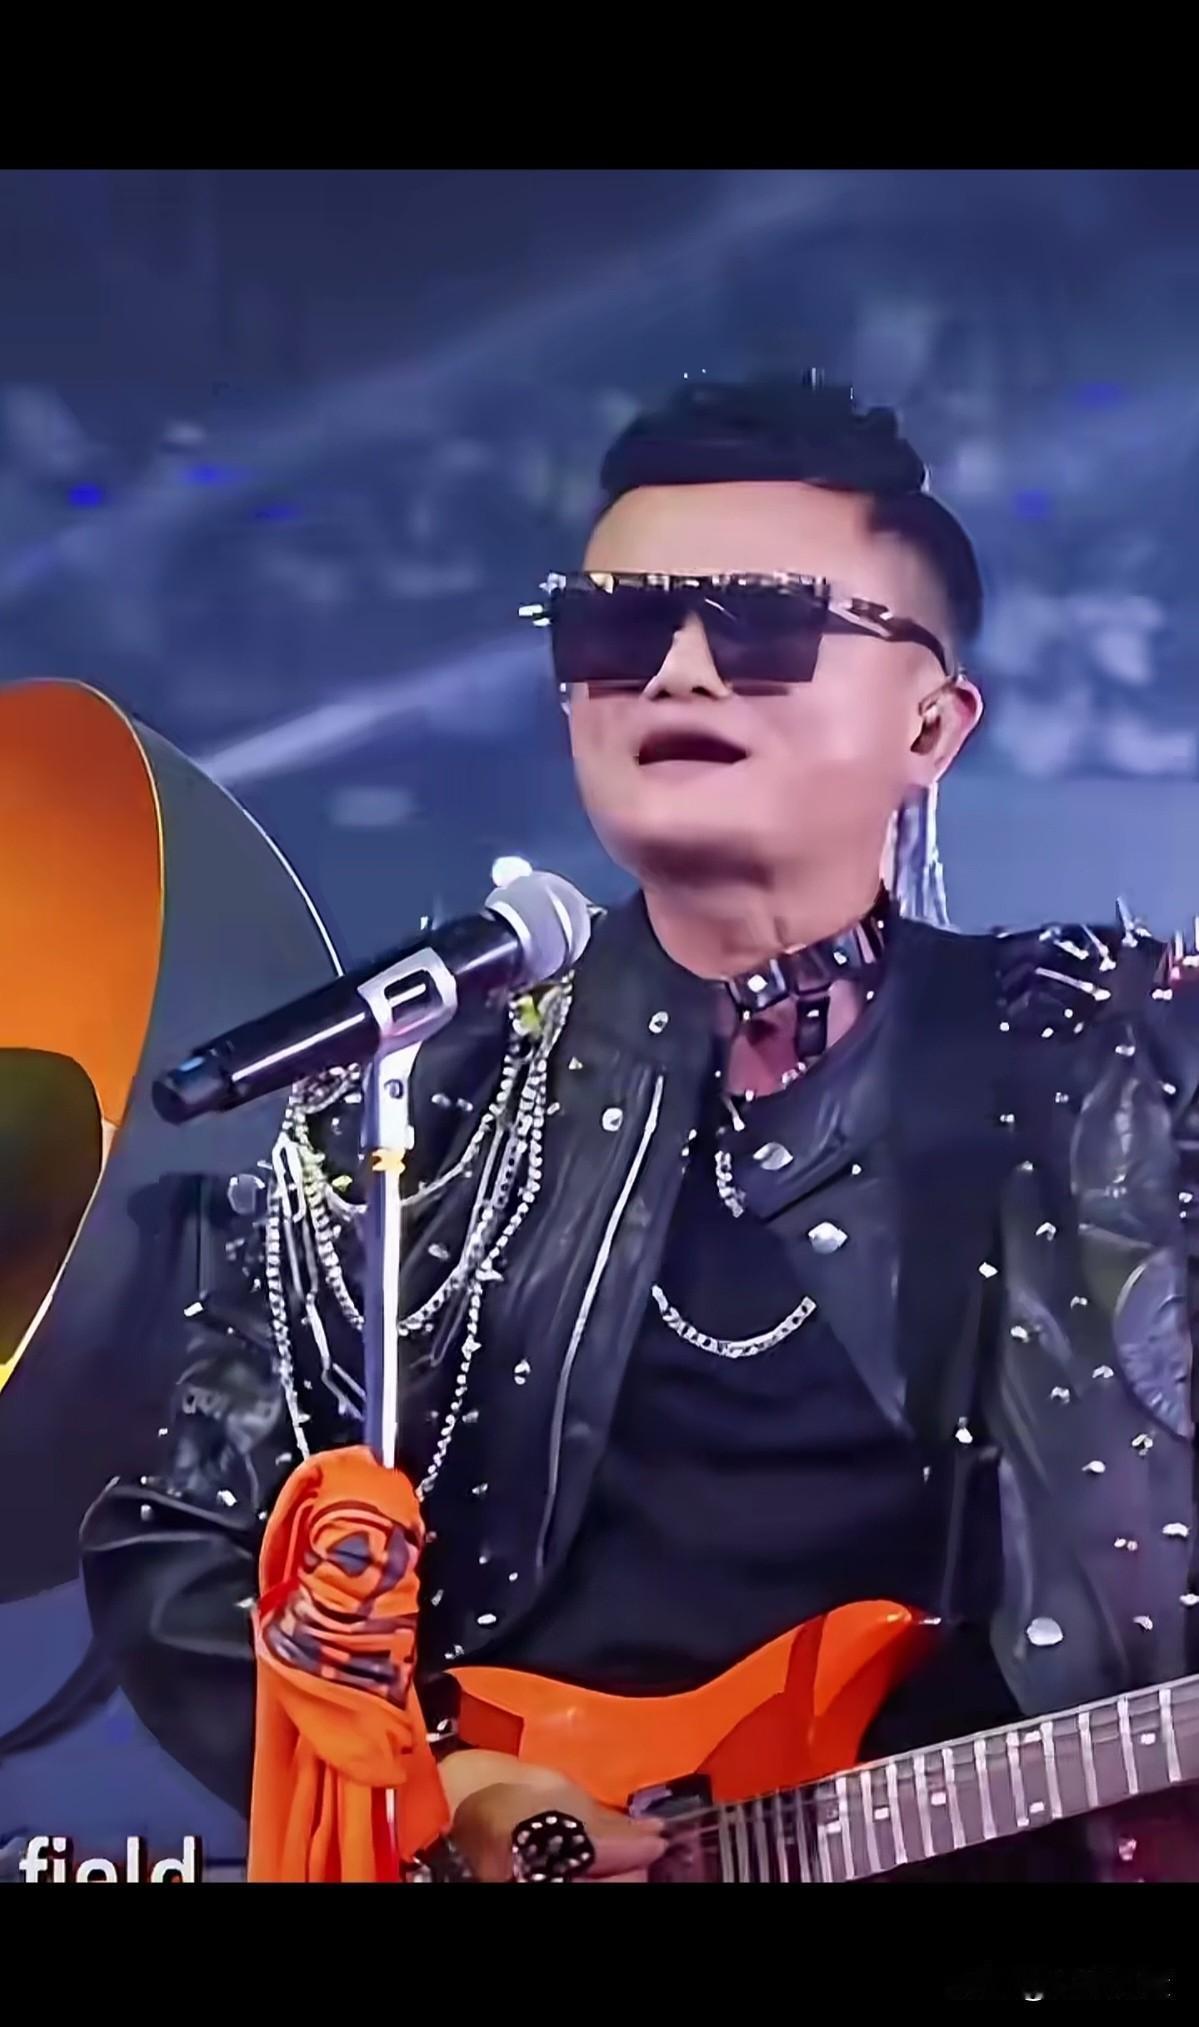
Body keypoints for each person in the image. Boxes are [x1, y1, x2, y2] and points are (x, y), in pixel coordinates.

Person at [81, 374, 1199, 1882]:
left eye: (764, 628)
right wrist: (448, 1787)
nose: (676, 672)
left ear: (931, 723)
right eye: (613, 631)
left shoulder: (1126, 1059)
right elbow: (182, 1539)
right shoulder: (426, 1095)